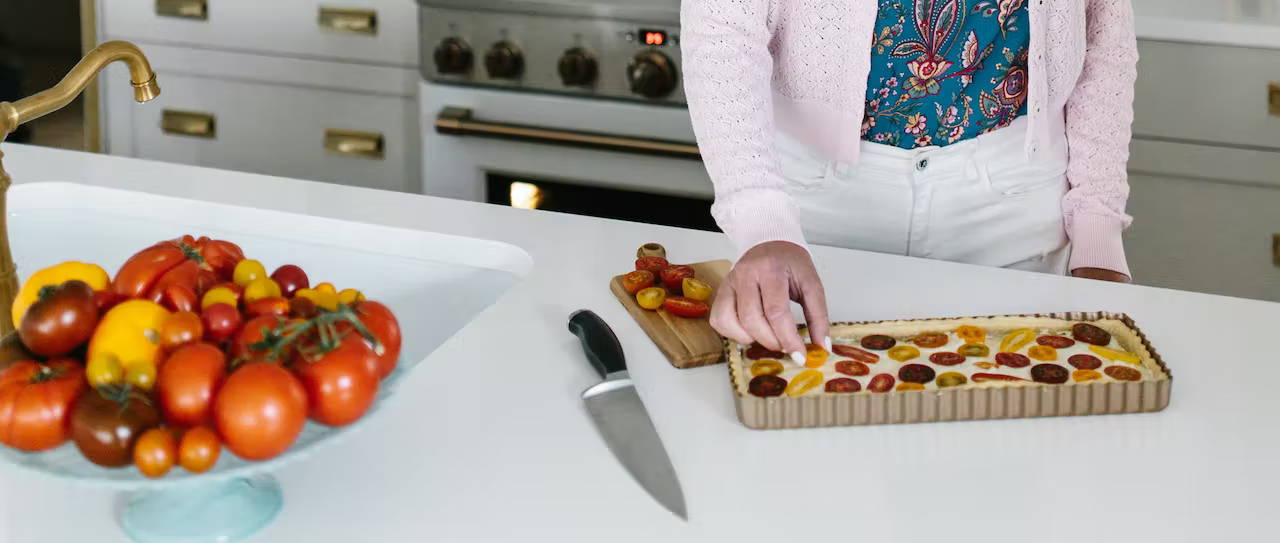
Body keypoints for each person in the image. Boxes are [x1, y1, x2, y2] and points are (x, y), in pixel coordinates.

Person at [682, 0, 1138, 363]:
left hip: (1014, 201)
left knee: (1014, 436)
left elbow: (1104, 35)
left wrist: (1098, 228)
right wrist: (764, 225)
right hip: (814, 215)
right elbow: (723, 32)